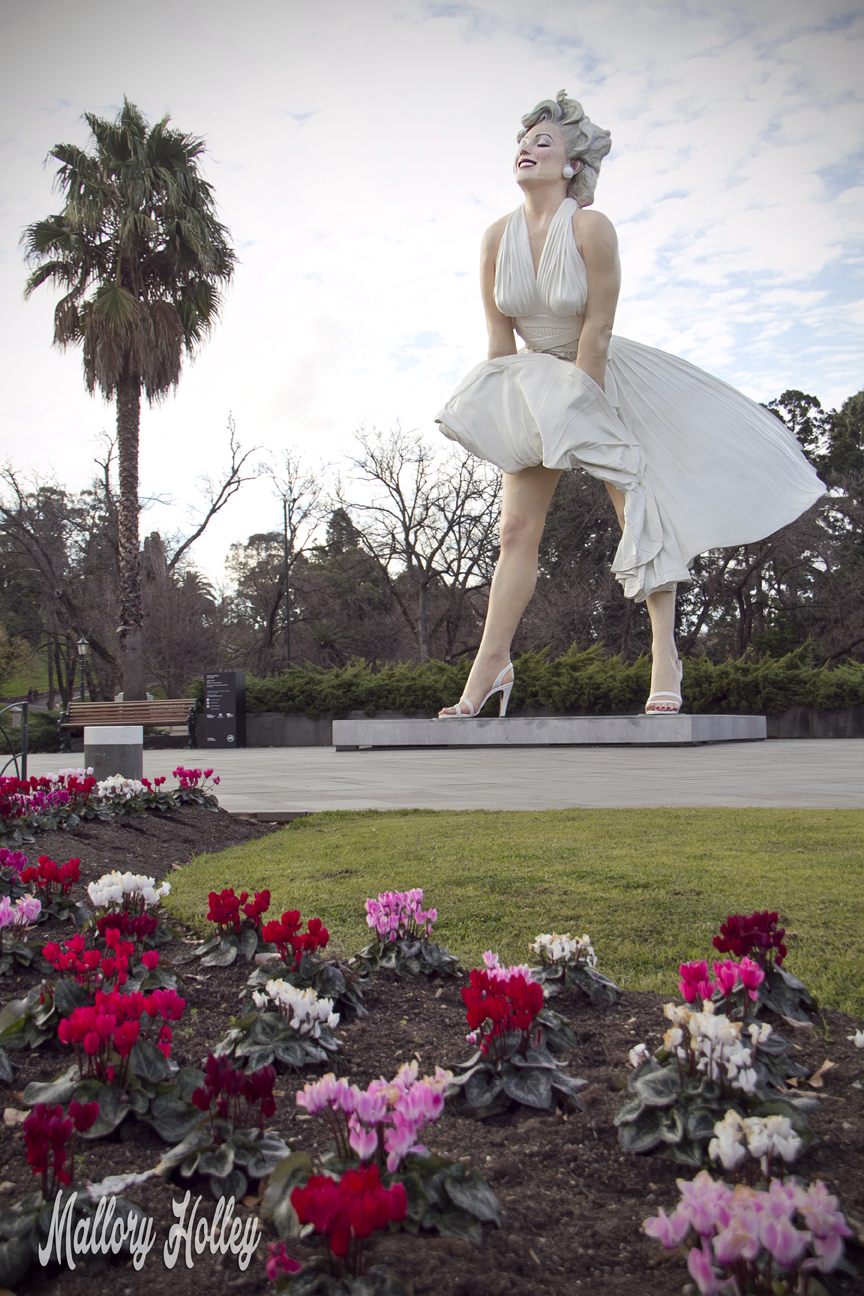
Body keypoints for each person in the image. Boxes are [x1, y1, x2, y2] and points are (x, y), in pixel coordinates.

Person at [435, 91, 825, 718]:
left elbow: (597, 330)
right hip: (533, 382)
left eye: (543, 142)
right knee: (514, 528)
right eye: (522, 141)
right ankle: (491, 665)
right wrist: (500, 415)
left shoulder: (591, 227)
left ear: (571, 165)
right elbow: (498, 341)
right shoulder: (494, 238)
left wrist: (579, 407)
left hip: (599, 380)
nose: (526, 150)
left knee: (639, 520)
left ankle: (665, 655)